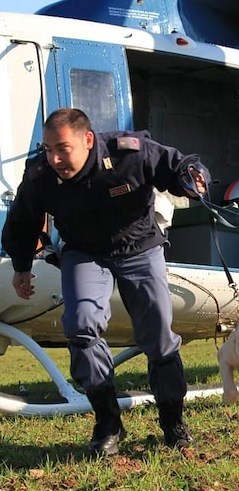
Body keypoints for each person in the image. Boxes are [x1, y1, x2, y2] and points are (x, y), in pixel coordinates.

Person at [1, 108, 211, 455]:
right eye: (48, 148)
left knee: (158, 337)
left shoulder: (128, 152)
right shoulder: (40, 173)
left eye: (63, 148)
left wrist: (192, 178)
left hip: (139, 248)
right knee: (81, 327)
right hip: (85, 253)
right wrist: (22, 266)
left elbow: (176, 164)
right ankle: (108, 422)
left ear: (87, 140)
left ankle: (173, 422)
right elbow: (23, 221)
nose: (54, 158)